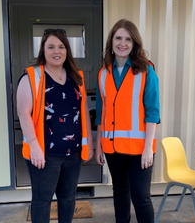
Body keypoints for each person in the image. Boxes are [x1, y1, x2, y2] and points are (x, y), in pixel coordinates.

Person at [17, 28, 94, 223]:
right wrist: (34, 146)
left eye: (61, 46)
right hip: (44, 154)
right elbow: (23, 113)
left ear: (67, 50)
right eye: (50, 47)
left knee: (68, 198)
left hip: (73, 152)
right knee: (43, 200)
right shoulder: (32, 76)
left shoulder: (76, 77)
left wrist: (89, 144)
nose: (56, 51)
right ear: (43, 50)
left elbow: (84, 111)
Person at [95, 19, 160, 223]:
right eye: (118, 38)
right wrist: (98, 147)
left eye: (128, 39)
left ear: (134, 43)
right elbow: (100, 113)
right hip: (112, 148)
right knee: (120, 192)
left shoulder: (146, 70)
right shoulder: (103, 73)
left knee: (141, 197)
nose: (122, 43)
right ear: (111, 41)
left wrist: (148, 147)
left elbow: (153, 112)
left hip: (140, 148)